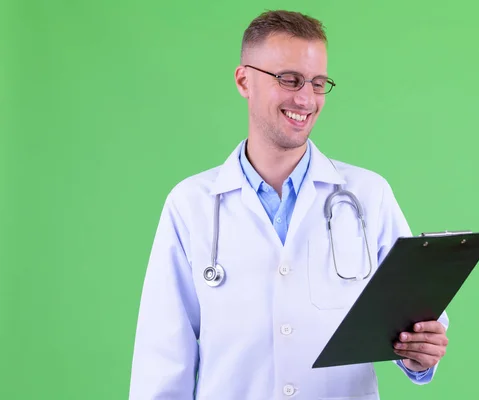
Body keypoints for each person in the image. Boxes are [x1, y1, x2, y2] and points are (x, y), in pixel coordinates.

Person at [129, 9, 449, 400]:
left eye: (318, 83)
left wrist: (419, 354)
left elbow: (415, 320)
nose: (306, 98)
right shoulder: (190, 204)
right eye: (289, 79)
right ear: (244, 80)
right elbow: (162, 360)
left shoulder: (368, 195)